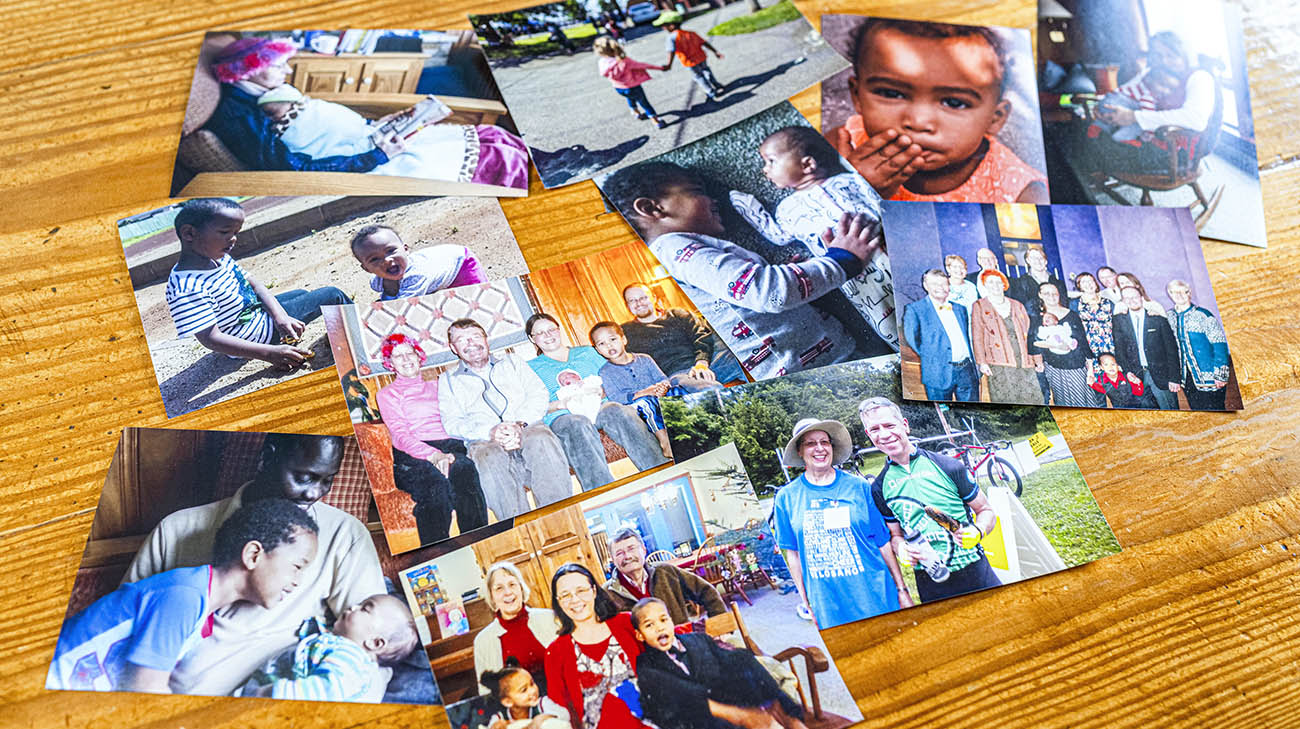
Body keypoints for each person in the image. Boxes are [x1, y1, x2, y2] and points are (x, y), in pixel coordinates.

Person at [123, 434, 386, 696]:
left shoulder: (345, 536)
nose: (314, 494)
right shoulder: (177, 531)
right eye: (304, 477)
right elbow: (122, 628)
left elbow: (372, 647)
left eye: (327, 481)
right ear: (267, 457)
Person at [602, 161, 882, 379]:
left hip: (824, 355)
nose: (714, 201)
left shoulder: (687, 251)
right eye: (697, 192)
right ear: (652, 208)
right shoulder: (673, 249)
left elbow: (749, 290)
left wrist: (793, 273)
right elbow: (769, 292)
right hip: (806, 371)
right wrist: (842, 260)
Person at [48, 499, 319, 693]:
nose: (297, 582)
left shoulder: (201, 610)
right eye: (297, 567)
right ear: (253, 555)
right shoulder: (183, 596)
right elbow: (144, 690)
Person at [205, 37, 529, 189]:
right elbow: (292, 167)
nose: (287, 70)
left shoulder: (262, 92)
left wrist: (380, 124)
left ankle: (540, 158)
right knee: (496, 161)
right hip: (362, 161)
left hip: (367, 135)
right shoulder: (239, 118)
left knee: (492, 134)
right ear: (247, 71)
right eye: (277, 65)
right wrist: (375, 155)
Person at [824, 18, 1048, 202]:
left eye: (954, 103)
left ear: (995, 118)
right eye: (892, 94)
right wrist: (848, 189)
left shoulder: (1021, 193)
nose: (919, 122)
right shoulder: (842, 146)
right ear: (857, 96)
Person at [729, 125, 899, 350]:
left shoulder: (849, 180)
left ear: (808, 164)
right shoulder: (786, 209)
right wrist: (748, 207)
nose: (765, 170)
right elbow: (778, 236)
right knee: (891, 324)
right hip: (858, 279)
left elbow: (880, 199)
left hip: (891, 249)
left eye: (771, 161)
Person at [166, 198, 350, 371]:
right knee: (332, 295)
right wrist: (269, 353)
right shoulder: (186, 287)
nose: (233, 239)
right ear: (189, 233)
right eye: (225, 232)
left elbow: (254, 285)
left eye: (235, 233)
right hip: (253, 335)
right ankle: (358, 336)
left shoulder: (217, 257)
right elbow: (210, 338)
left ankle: (285, 325)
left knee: (300, 293)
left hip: (251, 314)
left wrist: (281, 317)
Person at [772, 418, 912, 629]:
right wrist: (805, 601)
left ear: (832, 447)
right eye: (811, 443)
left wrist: (902, 590)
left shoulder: (860, 487)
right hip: (828, 606)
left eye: (824, 442)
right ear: (800, 452)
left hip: (876, 597)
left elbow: (883, 542)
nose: (819, 448)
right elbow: (793, 554)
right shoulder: (786, 498)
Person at [860, 398, 1001, 603]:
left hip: (976, 572)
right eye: (874, 429)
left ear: (905, 425)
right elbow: (895, 535)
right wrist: (901, 549)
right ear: (868, 435)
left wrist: (978, 531)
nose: (883, 434)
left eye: (889, 425)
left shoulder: (948, 466)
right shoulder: (879, 487)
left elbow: (986, 511)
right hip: (930, 582)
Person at [437, 318, 577, 519]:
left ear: (486, 340)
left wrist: (519, 424)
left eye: (476, 336)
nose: (471, 344)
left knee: (542, 440)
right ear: (453, 348)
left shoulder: (513, 362)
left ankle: (561, 519)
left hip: (527, 427)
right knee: (488, 458)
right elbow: (451, 422)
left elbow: (538, 394)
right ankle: (520, 526)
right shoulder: (447, 380)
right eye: (462, 340)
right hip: (484, 440)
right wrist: (490, 431)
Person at [524, 313, 669, 489]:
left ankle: (661, 473)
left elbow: (615, 375)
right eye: (540, 333)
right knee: (577, 424)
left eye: (551, 329)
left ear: (558, 330)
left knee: (618, 410)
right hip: (564, 414)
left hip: (600, 405)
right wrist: (561, 404)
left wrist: (602, 391)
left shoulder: (588, 352)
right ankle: (604, 491)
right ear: (532, 339)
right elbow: (531, 406)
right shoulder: (529, 368)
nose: (547, 335)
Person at [376, 333, 488, 544]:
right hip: (411, 454)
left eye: (410, 353)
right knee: (435, 486)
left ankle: (478, 541)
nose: (406, 359)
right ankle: (436, 550)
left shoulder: (439, 385)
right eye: (398, 356)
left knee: (463, 468)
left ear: (419, 357)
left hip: (451, 445)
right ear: (390, 363)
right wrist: (433, 455)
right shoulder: (387, 394)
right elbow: (400, 435)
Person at [631, 597, 807, 729]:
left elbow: (731, 663)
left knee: (742, 659)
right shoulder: (647, 664)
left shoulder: (697, 639)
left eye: (663, 620)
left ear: (671, 621)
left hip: (725, 695)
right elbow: (676, 696)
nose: (660, 628)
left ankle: (791, 718)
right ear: (640, 635)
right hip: (700, 716)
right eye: (649, 625)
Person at [1084, 31, 1220, 177]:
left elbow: (1196, 120)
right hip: (1146, 137)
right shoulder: (1153, 72)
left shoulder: (1199, 77)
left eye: (1172, 56)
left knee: (1095, 149)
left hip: (1175, 150)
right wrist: (1103, 107)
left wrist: (1133, 117)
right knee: (1087, 136)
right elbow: (1123, 93)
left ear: (1185, 55)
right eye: (1159, 56)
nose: (1165, 62)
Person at [245, 594, 420, 702]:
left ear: (375, 643)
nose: (353, 607)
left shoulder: (350, 658)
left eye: (365, 609)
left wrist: (271, 694)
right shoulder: (341, 648)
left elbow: (326, 690)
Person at [544, 563, 651, 729]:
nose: (575, 600)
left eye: (581, 590)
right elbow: (560, 709)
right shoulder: (556, 651)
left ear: (594, 591)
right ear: (558, 602)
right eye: (565, 595)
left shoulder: (626, 623)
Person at [619, 283, 743, 391]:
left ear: (654, 298)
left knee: (742, 356)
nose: (639, 303)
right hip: (675, 376)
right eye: (632, 300)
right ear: (627, 306)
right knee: (701, 386)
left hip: (706, 364)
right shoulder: (625, 332)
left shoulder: (678, 314)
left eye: (643, 297)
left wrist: (701, 363)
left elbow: (702, 336)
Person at [474, 562, 563, 698]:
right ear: (492, 597)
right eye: (499, 588)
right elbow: (487, 694)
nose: (508, 592)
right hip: (520, 715)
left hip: (562, 698)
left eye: (512, 585)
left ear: (521, 588)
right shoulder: (483, 641)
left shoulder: (550, 618)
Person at [601, 528, 725, 625]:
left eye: (631, 548)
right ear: (612, 559)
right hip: (643, 656)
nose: (627, 556)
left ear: (643, 550)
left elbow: (706, 591)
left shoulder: (666, 572)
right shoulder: (607, 593)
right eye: (619, 553)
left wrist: (721, 625)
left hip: (684, 645)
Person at [590, 322, 674, 460]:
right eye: (602, 344)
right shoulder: (605, 372)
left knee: (678, 390)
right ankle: (665, 441)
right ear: (598, 350)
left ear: (623, 339)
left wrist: (662, 387)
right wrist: (644, 392)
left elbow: (663, 378)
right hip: (635, 405)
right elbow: (616, 397)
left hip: (658, 396)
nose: (609, 346)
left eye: (613, 339)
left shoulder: (645, 359)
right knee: (646, 403)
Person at [351, 224, 484, 301]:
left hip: (461, 264)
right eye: (374, 259)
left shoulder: (417, 275)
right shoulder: (376, 281)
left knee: (476, 299)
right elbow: (388, 298)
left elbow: (402, 307)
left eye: (391, 250)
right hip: (439, 265)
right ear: (367, 268)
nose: (386, 260)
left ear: (406, 249)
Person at [902, 269, 978, 402]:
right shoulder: (915, 310)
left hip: (966, 371)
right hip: (937, 373)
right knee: (944, 414)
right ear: (926, 286)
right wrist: (934, 358)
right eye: (934, 284)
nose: (940, 288)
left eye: (944, 284)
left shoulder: (960, 309)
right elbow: (912, 339)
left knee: (972, 413)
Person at [970, 269, 1043, 404]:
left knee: (1032, 401)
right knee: (1006, 401)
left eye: (998, 282)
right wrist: (982, 362)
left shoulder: (1017, 305)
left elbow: (1030, 335)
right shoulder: (979, 305)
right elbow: (977, 336)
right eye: (990, 282)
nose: (995, 285)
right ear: (985, 285)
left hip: (1024, 360)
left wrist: (1037, 359)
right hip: (999, 362)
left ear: (1004, 284)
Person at [1111, 285, 1182, 410]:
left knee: (1171, 410)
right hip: (1136, 376)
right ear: (1123, 301)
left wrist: (1174, 378)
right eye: (1127, 298)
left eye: (1134, 297)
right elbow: (1120, 350)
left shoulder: (1158, 319)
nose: (1131, 300)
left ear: (1141, 297)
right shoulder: (1119, 320)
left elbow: (1172, 350)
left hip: (1161, 375)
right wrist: (1128, 372)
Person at [1166, 279, 1231, 410]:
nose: (1178, 295)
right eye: (1174, 293)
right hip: (1187, 378)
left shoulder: (1203, 315)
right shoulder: (1169, 317)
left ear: (1189, 293)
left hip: (1210, 377)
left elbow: (1219, 344)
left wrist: (1221, 375)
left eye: (1182, 292)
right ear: (1170, 295)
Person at [1030, 282, 1094, 406]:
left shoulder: (1072, 315)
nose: (1051, 296)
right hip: (1053, 368)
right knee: (1062, 403)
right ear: (1040, 295)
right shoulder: (1037, 318)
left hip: (1075, 366)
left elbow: (1083, 342)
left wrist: (1090, 369)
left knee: (1083, 402)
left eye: (1054, 293)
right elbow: (1033, 345)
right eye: (1046, 293)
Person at [593, 37, 668, 129]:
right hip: (633, 86)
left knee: (630, 98)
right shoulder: (623, 61)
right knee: (644, 103)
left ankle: (636, 113)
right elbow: (643, 65)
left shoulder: (602, 62)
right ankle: (656, 122)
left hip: (619, 88)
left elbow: (603, 74)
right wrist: (661, 68)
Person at [654, 11, 725, 101]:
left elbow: (671, 52)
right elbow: (704, 43)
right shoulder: (690, 33)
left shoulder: (671, 37)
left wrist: (669, 65)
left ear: (671, 25)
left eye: (664, 25)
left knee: (699, 76)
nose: (663, 27)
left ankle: (711, 91)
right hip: (701, 57)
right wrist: (715, 52)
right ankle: (716, 84)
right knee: (706, 70)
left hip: (689, 62)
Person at [480, 661, 570, 729]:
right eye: (524, 690)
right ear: (508, 701)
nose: (533, 690)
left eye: (532, 683)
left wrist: (544, 717)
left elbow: (565, 715)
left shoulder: (543, 704)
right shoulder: (500, 718)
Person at [1073, 272, 1115, 406]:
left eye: (1090, 280)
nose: (1088, 284)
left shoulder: (1108, 303)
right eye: (1084, 282)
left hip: (1110, 349)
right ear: (1079, 286)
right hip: (1089, 351)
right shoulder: (1075, 304)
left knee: (1117, 389)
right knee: (1098, 393)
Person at [1007, 247, 1067, 313]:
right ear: (1028, 261)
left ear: (1045, 261)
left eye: (1041, 258)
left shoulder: (1059, 283)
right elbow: (1023, 308)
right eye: (1033, 258)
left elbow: (1064, 304)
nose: (1038, 261)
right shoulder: (1020, 283)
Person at [1088, 352, 1157, 409]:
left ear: (1117, 365)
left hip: (1136, 406)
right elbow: (1098, 387)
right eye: (1106, 365)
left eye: (1113, 364)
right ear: (1101, 367)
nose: (1110, 367)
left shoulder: (1127, 377)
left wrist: (1136, 383)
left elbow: (1139, 393)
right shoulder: (1102, 381)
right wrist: (1092, 383)